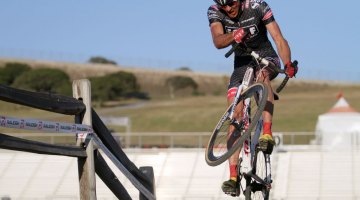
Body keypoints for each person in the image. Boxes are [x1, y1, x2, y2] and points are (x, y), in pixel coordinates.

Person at [207, 0, 298, 196]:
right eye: (224, 7)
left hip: (266, 56)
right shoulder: (215, 11)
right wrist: (234, 35)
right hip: (241, 63)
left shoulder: (258, 6)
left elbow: (278, 38)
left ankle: (266, 132)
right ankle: (233, 177)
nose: (229, 9)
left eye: (231, 4)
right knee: (235, 113)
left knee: (263, 75)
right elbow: (217, 41)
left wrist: (288, 63)